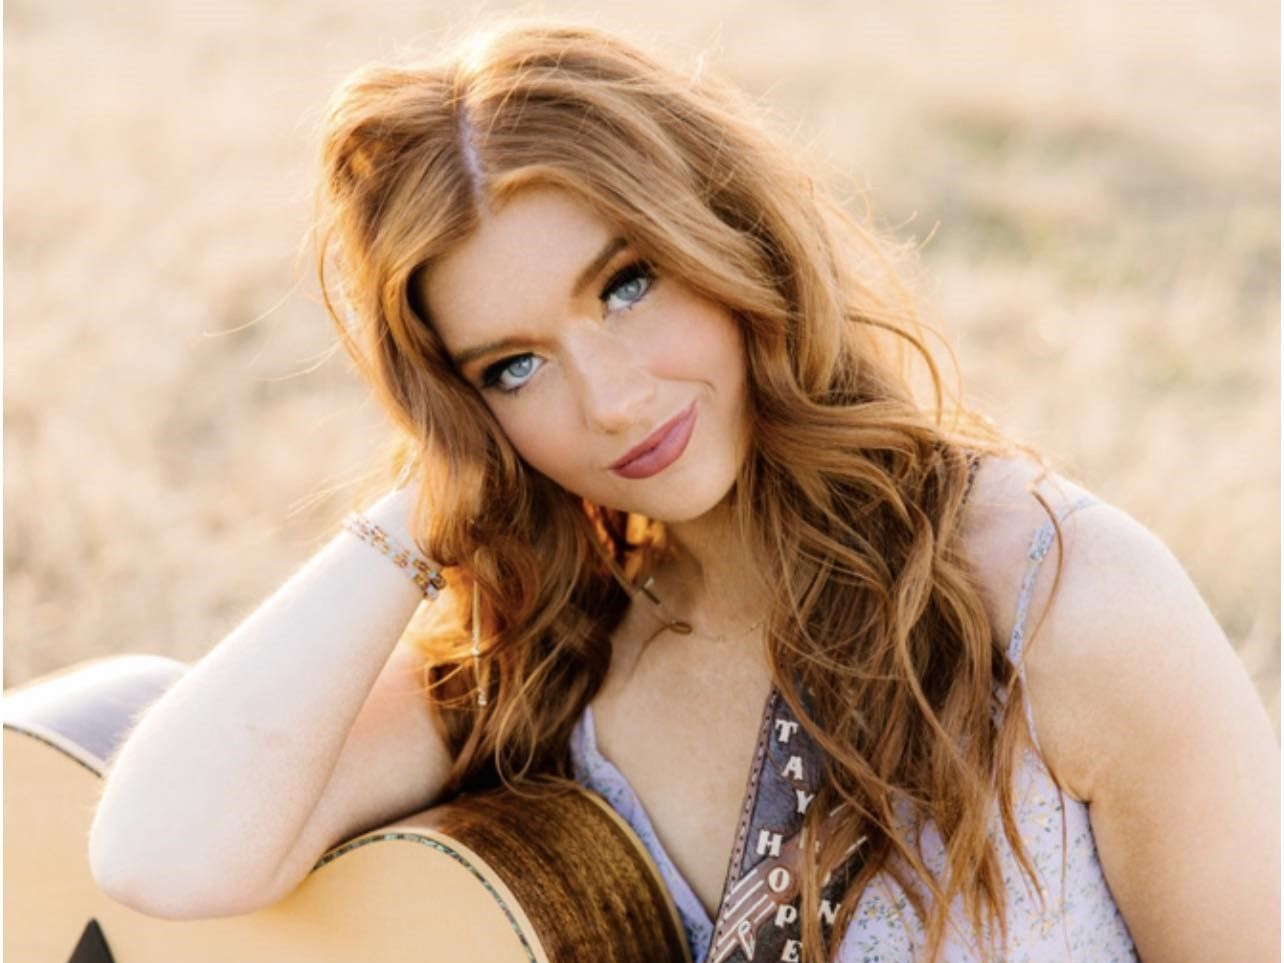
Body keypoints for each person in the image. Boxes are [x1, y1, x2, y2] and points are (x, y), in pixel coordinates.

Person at [88, 20, 1278, 962]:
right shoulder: (559, 653)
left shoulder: (1055, 595)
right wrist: (424, 507)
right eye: (514, 365)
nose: (610, 400)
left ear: (731, 234)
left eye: (626, 284)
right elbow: (164, 857)